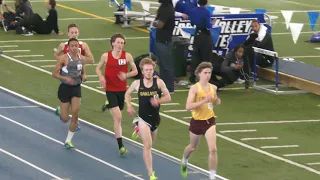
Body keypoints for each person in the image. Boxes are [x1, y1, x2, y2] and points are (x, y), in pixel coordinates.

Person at [125, 58, 171, 180]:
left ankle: (137, 129)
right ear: (142, 71)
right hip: (143, 118)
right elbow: (127, 94)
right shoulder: (137, 84)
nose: (149, 72)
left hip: (155, 119)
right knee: (148, 145)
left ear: (153, 70)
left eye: (151, 70)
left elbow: (168, 97)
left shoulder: (159, 83)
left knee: (152, 143)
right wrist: (129, 105)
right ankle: (151, 174)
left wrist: (158, 101)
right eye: (146, 70)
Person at [96, 33, 138, 155]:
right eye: (118, 42)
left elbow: (135, 71)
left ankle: (108, 104)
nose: (120, 45)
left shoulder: (127, 56)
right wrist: (101, 77)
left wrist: (126, 75)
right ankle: (121, 146)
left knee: (117, 116)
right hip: (110, 89)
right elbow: (98, 68)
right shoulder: (106, 56)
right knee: (118, 117)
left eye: (122, 43)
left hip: (122, 90)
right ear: (113, 43)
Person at [180, 62, 221, 180]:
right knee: (193, 147)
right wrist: (203, 101)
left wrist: (216, 100)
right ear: (199, 74)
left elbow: (215, 101)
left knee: (213, 149)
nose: (207, 75)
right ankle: (184, 160)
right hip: (197, 122)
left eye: (209, 73)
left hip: (209, 121)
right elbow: (188, 106)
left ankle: (212, 176)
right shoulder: (194, 89)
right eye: (205, 73)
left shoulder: (213, 87)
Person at [52, 38, 87, 149]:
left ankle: (68, 141)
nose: (74, 47)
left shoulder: (81, 58)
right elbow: (54, 74)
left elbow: (81, 69)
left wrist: (84, 75)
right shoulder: (64, 58)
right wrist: (65, 78)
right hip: (65, 89)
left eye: (76, 45)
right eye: (72, 46)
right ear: (68, 47)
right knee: (65, 118)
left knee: (75, 112)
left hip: (76, 88)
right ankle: (60, 111)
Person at [187, 0, 213, 84]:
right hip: (205, 35)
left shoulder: (192, 10)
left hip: (197, 34)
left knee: (195, 56)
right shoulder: (206, 12)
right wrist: (213, 23)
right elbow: (208, 26)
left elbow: (191, 22)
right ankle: (205, 76)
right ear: (206, 2)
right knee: (206, 57)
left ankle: (193, 76)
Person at [154, 0, 175, 94]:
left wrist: (154, 22)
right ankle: (163, 86)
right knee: (162, 65)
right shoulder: (165, 7)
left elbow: (160, 25)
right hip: (162, 40)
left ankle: (169, 88)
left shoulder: (166, 9)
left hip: (164, 41)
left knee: (166, 65)